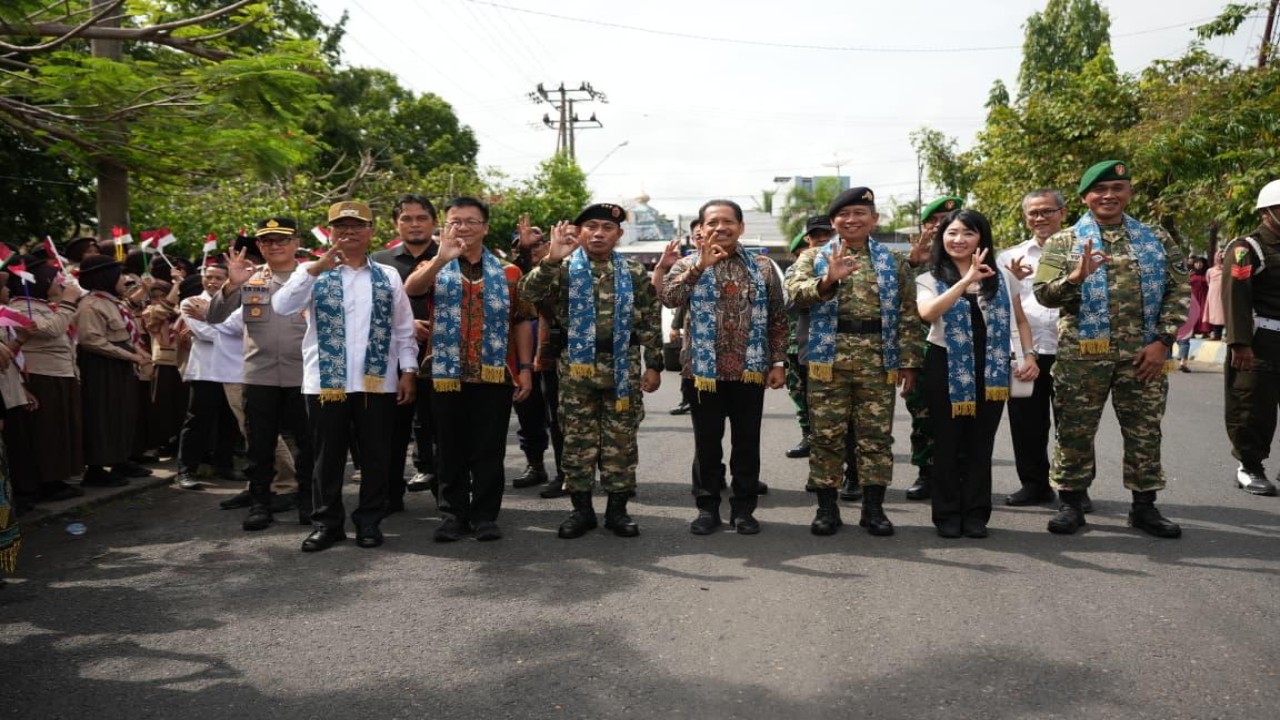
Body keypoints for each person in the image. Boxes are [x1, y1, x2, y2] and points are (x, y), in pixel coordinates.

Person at [1032, 160, 1189, 538]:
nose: (1108, 196)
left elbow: (1179, 290)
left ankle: (1144, 507)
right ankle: (1071, 503)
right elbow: (1043, 294)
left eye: (1117, 188)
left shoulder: (1156, 238)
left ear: (1129, 193)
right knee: (1074, 431)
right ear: (1086, 197)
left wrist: (1163, 341)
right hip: (1082, 357)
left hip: (1143, 356)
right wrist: (1074, 277)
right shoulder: (1062, 241)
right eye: (1099, 190)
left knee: (1145, 432)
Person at [272, 201, 417, 552]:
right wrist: (315, 270)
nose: (348, 232)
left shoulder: (388, 276)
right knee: (326, 456)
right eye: (341, 226)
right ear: (329, 231)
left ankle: (369, 521)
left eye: (357, 226)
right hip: (326, 382)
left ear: (371, 231)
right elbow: (281, 306)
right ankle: (327, 523)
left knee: (375, 457)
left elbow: (403, 328)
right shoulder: (310, 270)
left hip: (376, 381)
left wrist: (408, 370)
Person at [520, 203, 663, 538]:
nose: (599, 233)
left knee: (621, 441)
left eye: (607, 228)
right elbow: (527, 294)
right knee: (577, 440)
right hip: (576, 370)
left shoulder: (633, 272)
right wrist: (551, 259)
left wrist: (654, 364)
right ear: (580, 232)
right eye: (592, 227)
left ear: (618, 234)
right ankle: (581, 511)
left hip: (622, 369)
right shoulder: (561, 268)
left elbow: (649, 319)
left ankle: (618, 511)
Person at [786, 188, 923, 536]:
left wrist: (909, 362)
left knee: (875, 438)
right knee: (826, 436)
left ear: (874, 219)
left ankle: (873, 509)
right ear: (833, 222)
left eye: (859, 213)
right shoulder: (813, 257)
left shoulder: (893, 260)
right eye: (843, 215)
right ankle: (826, 509)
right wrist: (829, 278)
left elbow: (909, 314)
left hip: (878, 360)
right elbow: (795, 294)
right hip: (826, 360)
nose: (851, 220)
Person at [403, 196, 534, 543]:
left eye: (471, 221)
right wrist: (439, 260)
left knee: (489, 448)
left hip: (493, 373)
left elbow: (521, 321)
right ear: (445, 227)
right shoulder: (434, 265)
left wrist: (524, 368)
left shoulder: (509, 272)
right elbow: (411, 289)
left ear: (485, 228)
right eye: (455, 221)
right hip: (444, 375)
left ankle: (485, 515)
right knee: (447, 447)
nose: (463, 227)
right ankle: (452, 514)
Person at [660, 199, 786, 535]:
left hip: (750, 370)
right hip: (703, 375)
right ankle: (707, 508)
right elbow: (669, 298)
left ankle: (744, 510)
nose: (720, 228)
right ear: (700, 229)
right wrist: (699, 266)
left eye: (728, 222)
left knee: (746, 443)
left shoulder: (762, 267)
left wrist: (778, 362)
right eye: (712, 222)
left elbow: (777, 318)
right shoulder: (686, 264)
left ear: (741, 227)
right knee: (707, 444)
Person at [918, 209, 1039, 538]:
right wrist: (965, 281)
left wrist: (1029, 355)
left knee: (979, 444)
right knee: (946, 443)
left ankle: (975, 514)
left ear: (981, 238)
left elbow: (1021, 320)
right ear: (942, 238)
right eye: (952, 233)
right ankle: (946, 514)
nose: (959, 240)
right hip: (945, 365)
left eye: (968, 233)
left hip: (992, 366)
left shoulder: (1002, 275)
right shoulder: (930, 276)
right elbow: (928, 312)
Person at [208, 218, 313, 532]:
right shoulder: (250, 279)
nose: (274, 246)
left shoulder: (312, 277)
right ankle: (259, 505)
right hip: (259, 375)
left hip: (303, 375)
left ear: (296, 243)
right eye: (267, 241)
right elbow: (214, 316)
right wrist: (232, 285)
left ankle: (309, 504)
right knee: (259, 447)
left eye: (282, 240)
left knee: (309, 445)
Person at [997, 189, 1066, 507]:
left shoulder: (1082, 251)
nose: (1040, 218)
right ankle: (1034, 484)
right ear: (1025, 218)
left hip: (1071, 350)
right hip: (1025, 351)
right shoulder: (1010, 258)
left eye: (1047, 211)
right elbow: (1003, 307)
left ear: (1062, 213)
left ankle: (1073, 488)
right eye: (1033, 213)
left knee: (1074, 423)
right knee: (1027, 423)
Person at [785, 216, 862, 501]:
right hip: (815, 351)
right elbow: (791, 302)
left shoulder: (862, 259)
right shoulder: (804, 262)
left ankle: (853, 477)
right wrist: (825, 280)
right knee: (821, 423)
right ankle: (825, 480)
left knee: (854, 422)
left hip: (857, 351)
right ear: (808, 238)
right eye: (815, 235)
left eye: (826, 233)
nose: (821, 239)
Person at [371, 193, 441, 507]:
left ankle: (447, 497)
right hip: (392, 358)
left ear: (435, 222)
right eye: (406, 219)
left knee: (441, 427)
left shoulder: (450, 255)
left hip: (442, 356)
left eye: (421, 218)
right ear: (395, 224)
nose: (414, 224)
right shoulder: (378, 261)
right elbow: (367, 309)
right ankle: (389, 494)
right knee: (391, 429)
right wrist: (406, 324)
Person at [4, 253, 83, 504]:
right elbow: (51, 329)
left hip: (61, 372)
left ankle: (58, 478)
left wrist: (62, 301)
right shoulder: (19, 307)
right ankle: (46, 481)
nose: (59, 282)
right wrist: (68, 302)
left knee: (61, 431)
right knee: (46, 432)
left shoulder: (45, 305)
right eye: (53, 278)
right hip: (41, 374)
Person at [903, 196, 964, 501]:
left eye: (950, 218)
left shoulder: (972, 258)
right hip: (923, 351)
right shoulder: (914, 264)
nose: (943, 225)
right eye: (937, 220)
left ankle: (962, 474)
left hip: (965, 352)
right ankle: (927, 472)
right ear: (926, 226)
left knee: (965, 416)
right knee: (924, 416)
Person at [1222, 179, 1280, 496]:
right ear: (1268, 211)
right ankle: (1250, 467)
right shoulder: (1246, 249)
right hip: (1261, 339)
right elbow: (1236, 297)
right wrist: (1240, 344)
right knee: (1253, 407)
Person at [74, 255, 153, 487]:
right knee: (103, 414)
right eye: (119, 275)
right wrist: (131, 355)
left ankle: (120, 459)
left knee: (122, 413)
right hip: (102, 367)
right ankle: (96, 469)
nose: (124, 280)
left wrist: (138, 351)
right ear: (106, 277)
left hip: (119, 365)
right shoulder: (91, 305)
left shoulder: (112, 302)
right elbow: (92, 341)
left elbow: (124, 334)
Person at [508, 217, 564, 492]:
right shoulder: (512, 273)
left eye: (538, 242)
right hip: (522, 357)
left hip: (554, 356)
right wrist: (524, 253)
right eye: (524, 246)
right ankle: (535, 465)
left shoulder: (561, 270)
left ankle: (566, 473)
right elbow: (522, 285)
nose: (534, 248)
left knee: (558, 416)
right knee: (528, 415)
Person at [174, 265, 241, 491]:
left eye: (218, 277)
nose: (212, 281)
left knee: (230, 421)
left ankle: (224, 465)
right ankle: (186, 470)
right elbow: (205, 333)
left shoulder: (238, 301)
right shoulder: (191, 302)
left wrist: (213, 320)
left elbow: (245, 330)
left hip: (233, 370)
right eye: (208, 277)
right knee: (197, 421)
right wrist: (231, 331)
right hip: (206, 371)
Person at [1204, 249, 1226, 340]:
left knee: (1225, 314)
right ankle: (1217, 335)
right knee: (1215, 315)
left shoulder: (1228, 269)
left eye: (1222, 256)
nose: (1220, 258)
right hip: (1213, 296)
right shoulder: (1210, 271)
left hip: (1225, 295)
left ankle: (1227, 335)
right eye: (1219, 256)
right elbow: (1208, 281)